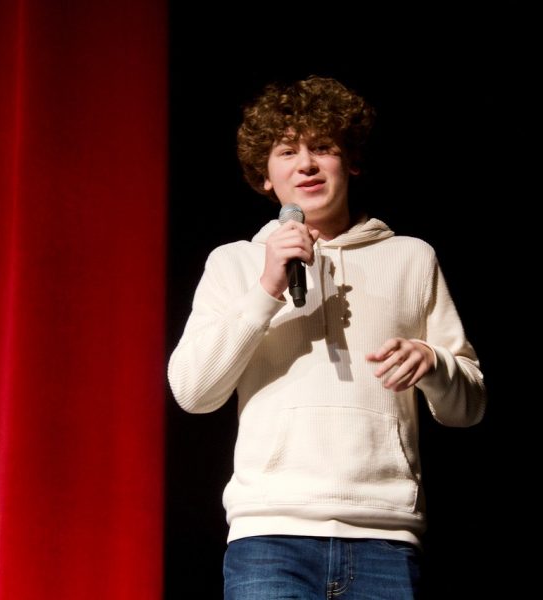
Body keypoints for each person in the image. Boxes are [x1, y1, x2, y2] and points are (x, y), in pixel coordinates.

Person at [167, 75, 486, 599]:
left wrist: (432, 362)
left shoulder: (411, 257)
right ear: (265, 176)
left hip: (383, 537)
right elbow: (193, 393)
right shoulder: (235, 263)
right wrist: (267, 288)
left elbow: (468, 404)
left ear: (352, 161)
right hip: (269, 536)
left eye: (322, 147)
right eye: (287, 151)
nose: (306, 164)